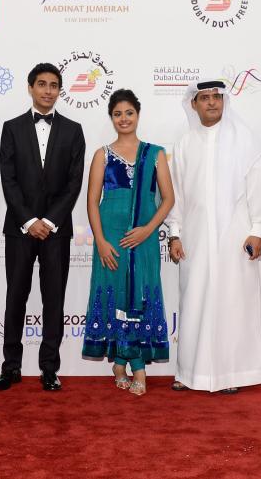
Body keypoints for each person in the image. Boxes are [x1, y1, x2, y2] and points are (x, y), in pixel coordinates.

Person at [167, 80, 261, 394]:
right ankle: (189, 373)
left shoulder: (245, 141)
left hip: (234, 238)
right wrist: (174, 234)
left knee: (232, 305)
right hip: (195, 239)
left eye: (216, 97)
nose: (211, 103)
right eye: (204, 98)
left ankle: (230, 374)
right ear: (194, 104)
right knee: (194, 302)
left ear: (224, 101)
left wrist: (257, 230)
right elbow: (176, 196)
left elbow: (256, 189)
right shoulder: (184, 143)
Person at [0, 63, 85, 392]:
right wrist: (30, 221)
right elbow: (8, 178)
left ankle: (49, 369)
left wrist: (49, 221)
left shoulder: (74, 130)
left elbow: (74, 183)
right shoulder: (12, 127)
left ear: (60, 90)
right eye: (41, 84)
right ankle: (10, 367)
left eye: (53, 85)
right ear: (30, 87)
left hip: (57, 231)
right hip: (19, 229)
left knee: (53, 299)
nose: (47, 90)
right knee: (15, 297)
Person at [81, 89, 174, 396]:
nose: (124, 119)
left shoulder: (155, 153)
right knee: (116, 297)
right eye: (118, 114)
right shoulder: (102, 155)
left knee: (140, 295)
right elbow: (93, 202)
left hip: (143, 239)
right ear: (111, 118)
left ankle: (125, 364)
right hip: (111, 239)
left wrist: (148, 230)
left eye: (129, 113)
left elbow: (168, 199)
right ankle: (134, 368)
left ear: (138, 114)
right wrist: (102, 242)